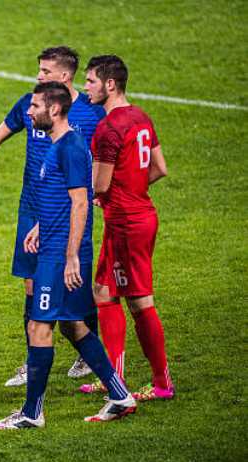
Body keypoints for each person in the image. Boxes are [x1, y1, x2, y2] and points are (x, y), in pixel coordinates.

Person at [0, 46, 104, 387]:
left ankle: (89, 356)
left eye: (46, 72)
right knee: (32, 284)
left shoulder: (91, 114)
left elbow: (103, 162)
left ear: (65, 77)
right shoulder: (31, 105)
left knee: (71, 288)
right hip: (31, 209)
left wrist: (99, 194)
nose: (38, 76)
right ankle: (33, 360)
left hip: (64, 213)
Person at [0, 82, 136, 429]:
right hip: (53, 244)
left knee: (39, 326)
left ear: (54, 110)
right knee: (72, 325)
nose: (29, 111)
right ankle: (119, 394)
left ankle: (31, 413)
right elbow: (63, 197)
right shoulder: (58, 146)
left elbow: (82, 202)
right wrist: (41, 226)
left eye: (36, 105)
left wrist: (70, 258)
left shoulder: (68, 147)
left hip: (59, 257)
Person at [79, 55, 174, 401]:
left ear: (110, 85)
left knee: (139, 301)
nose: (85, 87)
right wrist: (133, 188)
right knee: (104, 293)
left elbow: (99, 186)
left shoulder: (109, 128)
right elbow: (160, 168)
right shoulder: (141, 117)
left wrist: (79, 197)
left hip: (125, 224)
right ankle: (113, 377)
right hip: (138, 215)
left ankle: (162, 383)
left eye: (90, 81)